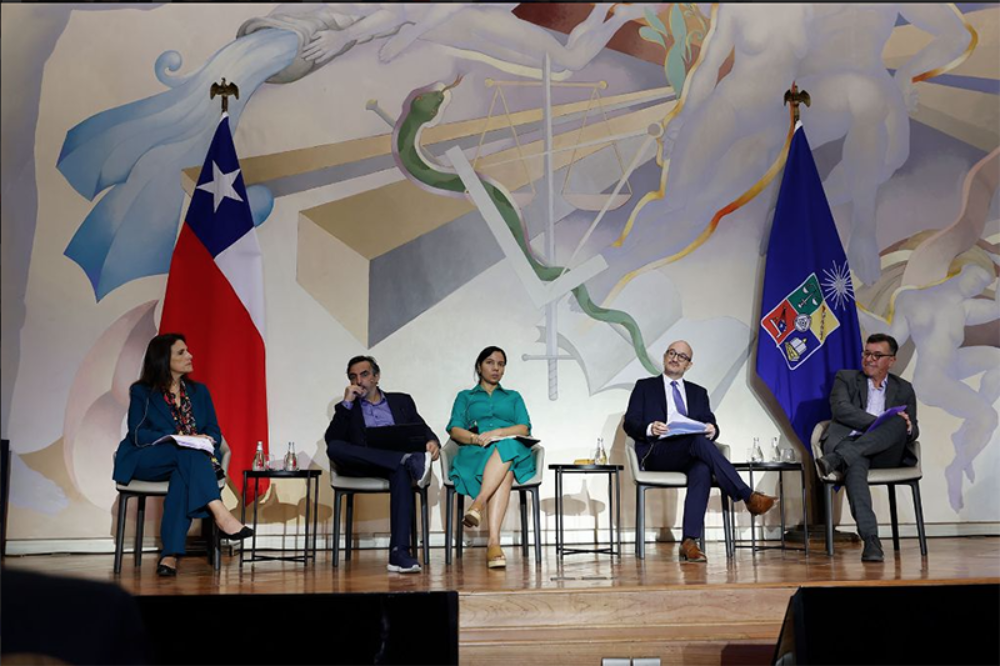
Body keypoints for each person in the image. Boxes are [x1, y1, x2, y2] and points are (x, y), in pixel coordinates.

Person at [113, 333, 253, 577]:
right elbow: (138, 433)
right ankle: (220, 512)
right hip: (148, 459)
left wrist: (205, 440)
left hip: (188, 463)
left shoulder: (199, 392)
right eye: (181, 352)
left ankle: (170, 555)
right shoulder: (142, 392)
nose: (190, 356)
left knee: (184, 473)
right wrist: (179, 436)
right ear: (163, 359)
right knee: (189, 452)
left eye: (188, 351)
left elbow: (213, 431)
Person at [623, 341, 776, 563]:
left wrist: (712, 430)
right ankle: (747, 496)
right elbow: (630, 422)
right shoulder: (645, 386)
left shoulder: (698, 392)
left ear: (689, 365)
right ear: (665, 356)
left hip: (689, 453)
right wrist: (650, 428)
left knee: (702, 468)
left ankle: (689, 542)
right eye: (672, 353)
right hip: (657, 452)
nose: (675, 358)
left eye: (682, 356)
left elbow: (710, 423)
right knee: (697, 443)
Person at [324, 355, 439, 574]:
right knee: (335, 447)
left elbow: (422, 428)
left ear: (376, 376)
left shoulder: (401, 401)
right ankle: (405, 459)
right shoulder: (347, 408)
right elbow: (333, 438)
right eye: (353, 377)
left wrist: (432, 441)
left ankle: (399, 554)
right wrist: (347, 403)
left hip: (393, 465)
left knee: (400, 471)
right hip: (364, 464)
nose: (359, 381)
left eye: (364, 374)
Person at [816, 333, 919, 562]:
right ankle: (871, 540)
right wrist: (881, 422)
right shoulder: (846, 378)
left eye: (877, 355)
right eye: (866, 353)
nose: (869, 359)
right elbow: (841, 409)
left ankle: (837, 458)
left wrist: (906, 426)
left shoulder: (904, 389)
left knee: (900, 422)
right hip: (853, 445)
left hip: (886, 453)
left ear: (891, 360)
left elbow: (914, 429)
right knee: (855, 463)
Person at [447, 346, 534, 569]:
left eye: (501, 364)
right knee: (507, 469)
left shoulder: (513, 397)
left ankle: (478, 504)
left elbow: (524, 427)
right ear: (479, 366)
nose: (496, 368)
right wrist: (477, 440)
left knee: (508, 447)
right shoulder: (465, 397)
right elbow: (454, 429)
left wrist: (498, 433)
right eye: (490, 362)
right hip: (477, 451)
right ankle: (494, 543)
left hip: (510, 445)